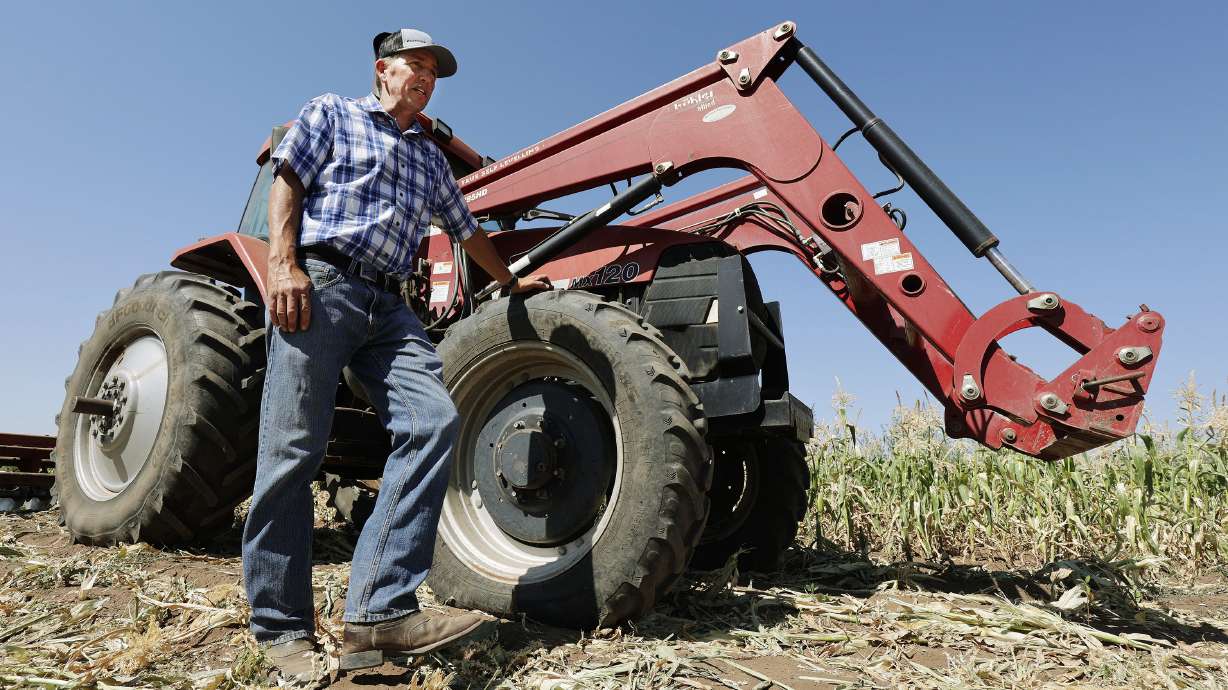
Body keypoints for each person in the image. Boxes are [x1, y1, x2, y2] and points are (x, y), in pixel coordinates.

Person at [241, 28, 551, 680]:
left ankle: (376, 614)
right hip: (321, 284)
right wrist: (283, 265)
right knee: (293, 452)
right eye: (418, 66)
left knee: (434, 420)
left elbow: (467, 233)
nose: (427, 78)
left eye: (435, 73)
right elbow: (287, 179)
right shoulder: (333, 113)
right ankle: (281, 629)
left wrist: (512, 280)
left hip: (391, 308)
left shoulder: (432, 160)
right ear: (384, 69)